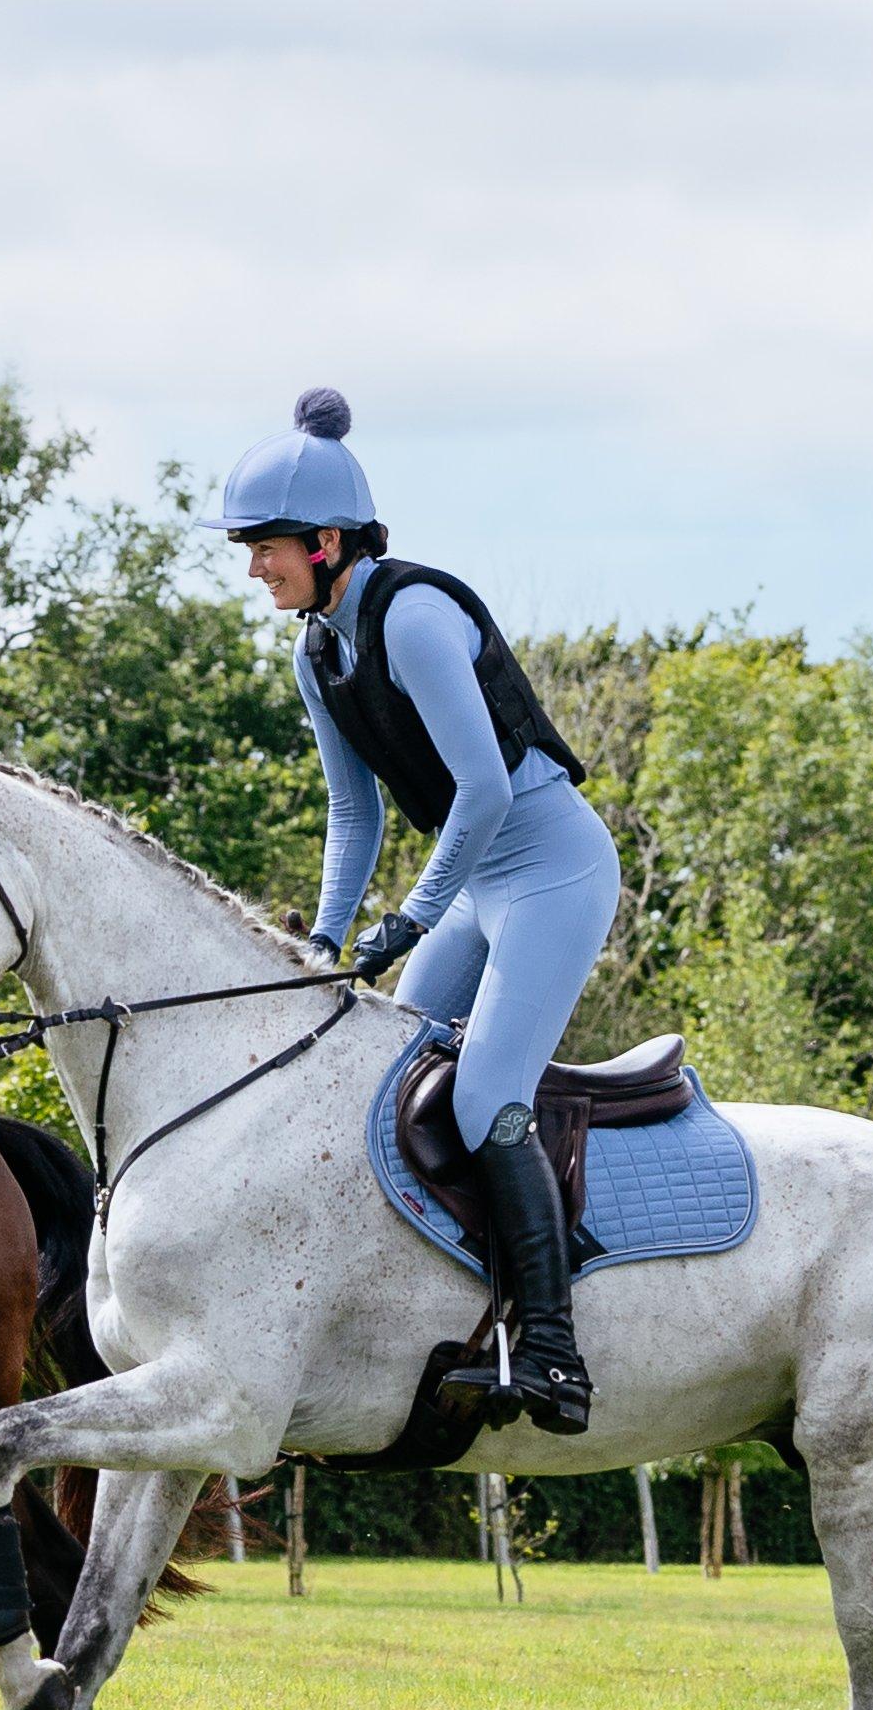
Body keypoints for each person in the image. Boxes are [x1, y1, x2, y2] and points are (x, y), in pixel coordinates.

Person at [221, 387, 619, 1433]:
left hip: (550, 867)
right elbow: (351, 813)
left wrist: (409, 914)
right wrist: (319, 938)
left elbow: (484, 788)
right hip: (483, 886)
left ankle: (553, 1350)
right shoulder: (320, 649)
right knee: (387, 1072)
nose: (252, 566)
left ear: (324, 537)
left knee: (486, 1091)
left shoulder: (416, 615)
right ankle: (441, 1313)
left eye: (263, 547)